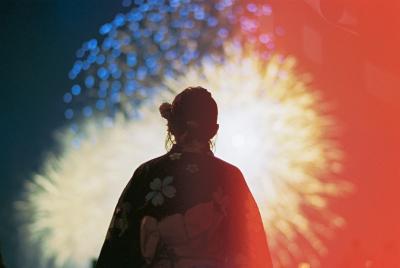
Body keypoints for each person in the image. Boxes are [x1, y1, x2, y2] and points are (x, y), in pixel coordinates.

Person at [96, 86, 273, 268]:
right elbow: (253, 251)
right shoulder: (231, 178)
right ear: (214, 130)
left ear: (172, 126)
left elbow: (117, 250)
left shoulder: (147, 174)